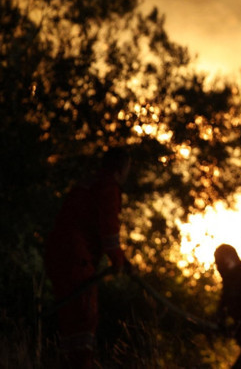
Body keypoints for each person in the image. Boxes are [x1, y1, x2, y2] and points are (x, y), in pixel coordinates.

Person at [44, 146, 131, 369]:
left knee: (70, 323)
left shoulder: (89, 184)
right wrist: (119, 261)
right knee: (83, 319)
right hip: (77, 258)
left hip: (59, 256)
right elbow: (109, 229)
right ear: (121, 168)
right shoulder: (108, 186)